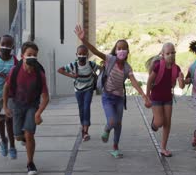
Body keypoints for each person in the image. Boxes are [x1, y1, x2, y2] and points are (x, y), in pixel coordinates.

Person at [75, 25, 151, 158]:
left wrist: (144, 95)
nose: (121, 50)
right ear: (116, 50)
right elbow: (96, 51)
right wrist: (84, 40)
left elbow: (133, 81)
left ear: (128, 51)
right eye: (119, 48)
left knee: (119, 124)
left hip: (119, 99)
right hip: (108, 97)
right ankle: (106, 130)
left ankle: (115, 147)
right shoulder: (110, 60)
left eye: (124, 48)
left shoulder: (127, 67)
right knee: (111, 122)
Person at [3, 41, 49, 175]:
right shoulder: (14, 71)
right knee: (18, 136)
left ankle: (30, 163)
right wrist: (5, 106)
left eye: (35, 55)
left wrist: (38, 113)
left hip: (32, 105)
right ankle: (23, 138)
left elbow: (46, 97)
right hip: (16, 104)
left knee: (29, 134)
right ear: (23, 56)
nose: (32, 57)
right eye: (29, 54)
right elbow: (6, 88)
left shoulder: (40, 74)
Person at [145, 42, 184, 157]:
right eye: (168, 53)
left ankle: (163, 148)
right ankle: (155, 123)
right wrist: (147, 96)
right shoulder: (158, 66)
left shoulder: (176, 68)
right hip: (156, 97)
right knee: (160, 122)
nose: (170, 55)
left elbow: (181, 86)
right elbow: (149, 81)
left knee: (167, 123)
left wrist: (181, 79)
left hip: (168, 98)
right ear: (162, 54)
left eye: (173, 52)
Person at [57, 45, 99, 141]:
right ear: (76, 55)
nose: (82, 56)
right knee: (81, 109)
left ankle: (86, 131)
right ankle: (83, 129)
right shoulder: (73, 65)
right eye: (80, 54)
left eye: (84, 54)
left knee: (86, 106)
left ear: (87, 55)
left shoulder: (91, 64)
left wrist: (99, 74)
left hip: (89, 88)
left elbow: (101, 68)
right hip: (78, 90)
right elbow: (60, 70)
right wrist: (72, 75)